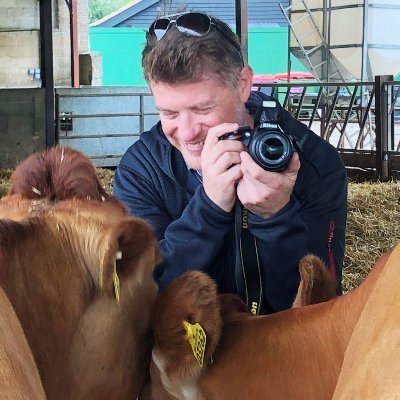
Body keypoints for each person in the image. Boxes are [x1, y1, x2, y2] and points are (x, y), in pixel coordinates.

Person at [113, 11, 347, 313]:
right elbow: (139, 303)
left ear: (243, 85)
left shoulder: (315, 164)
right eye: (169, 114)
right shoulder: (141, 170)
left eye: (202, 109)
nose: (186, 133)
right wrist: (208, 209)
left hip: (283, 349)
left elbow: (321, 309)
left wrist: (276, 218)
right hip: (187, 355)